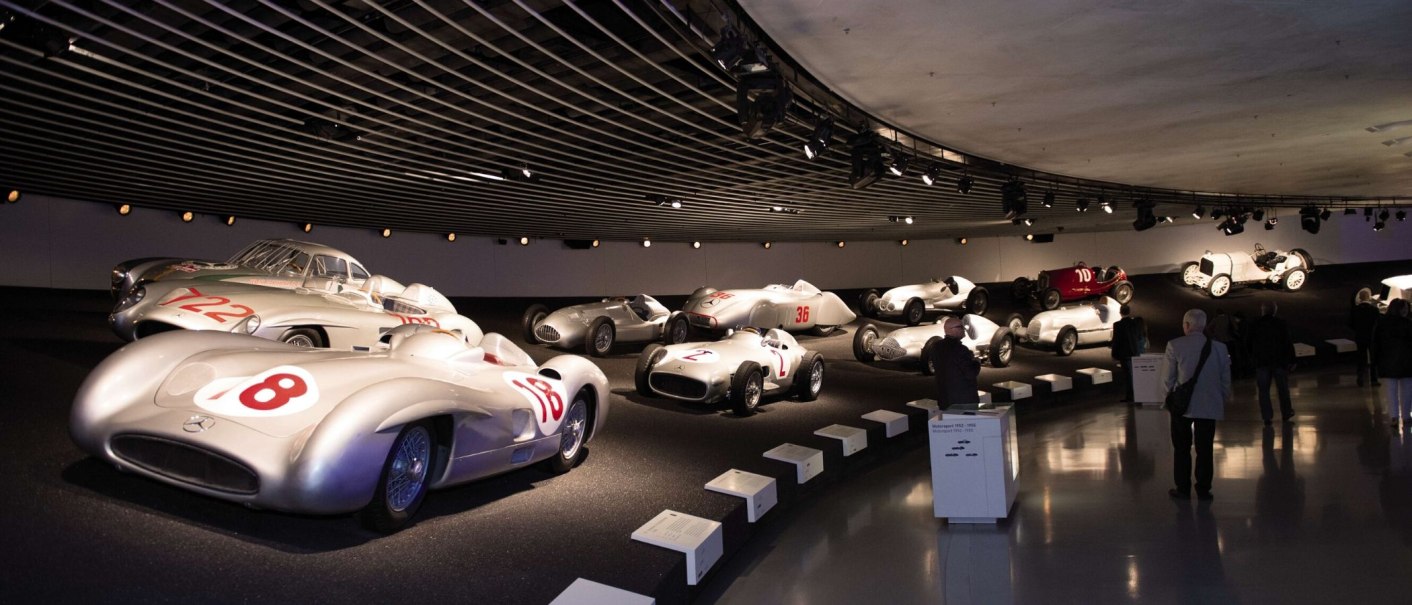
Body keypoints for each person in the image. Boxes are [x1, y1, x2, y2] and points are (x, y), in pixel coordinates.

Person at [1163, 309, 1232, 501]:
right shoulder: (1219, 348)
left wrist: (1169, 401)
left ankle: (1182, 488)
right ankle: (1203, 488)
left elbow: (1167, 380)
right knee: (1205, 449)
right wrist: (1222, 398)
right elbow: (1225, 379)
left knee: (1181, 448)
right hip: (1209, 405)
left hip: (1182, 407)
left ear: (1186, 325)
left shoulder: (1174, 345)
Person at [1245, 301, 1296, 426]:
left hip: (1261, 362)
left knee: (1263, 391)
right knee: (1283, 389)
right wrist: (1292, 359)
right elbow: (1287, 343)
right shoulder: (1280, 323)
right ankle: (1286, 413)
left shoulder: (1255, 324)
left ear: (1262, 310)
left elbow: (1248, 342)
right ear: (1274, 311)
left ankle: (1267, 417)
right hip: (1279, 361)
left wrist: (1252, 357)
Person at [1373, 298, 1412, 426]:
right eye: (1404, 309)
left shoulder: (1382, 324)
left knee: (1391, 391)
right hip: (1407, 361)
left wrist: (1376, 360)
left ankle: (1394, 416)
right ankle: (1406, 416)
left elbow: (1376, 343)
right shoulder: (1408, 324)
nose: (1406, 311)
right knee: (1407, 391)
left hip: (1388, 361)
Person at [928, 316, 980, 407]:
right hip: (964, 401)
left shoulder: (936, 347)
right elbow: (970, 373)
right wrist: (977, 362)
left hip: (945, 399)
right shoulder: (960, 350)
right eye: (960, 327)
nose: (964, 329)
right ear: (951, 330)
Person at [1110, 304, 1147, 402]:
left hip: (1124, 354)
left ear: (1120, 312)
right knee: (1136, 374)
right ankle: (1140, 394)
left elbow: (1116, 341)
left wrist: (1114, 354)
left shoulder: (1117, 325)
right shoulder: (1135, 323)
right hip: (1135, 352)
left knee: (1128, 376)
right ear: (1129, 312)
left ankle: (1130, 396)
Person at [1352, 288, 1381, 386]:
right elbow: (1379, 323)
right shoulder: (1374, 310)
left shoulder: (1355, 310)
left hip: (1360, 336)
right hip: (1372, 337)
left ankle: (1360, 378)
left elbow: (1350, 323)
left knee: (1361, 358)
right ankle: (1374, 379)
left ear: (1359, 298)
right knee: (1373, 358)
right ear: (1369, 297)